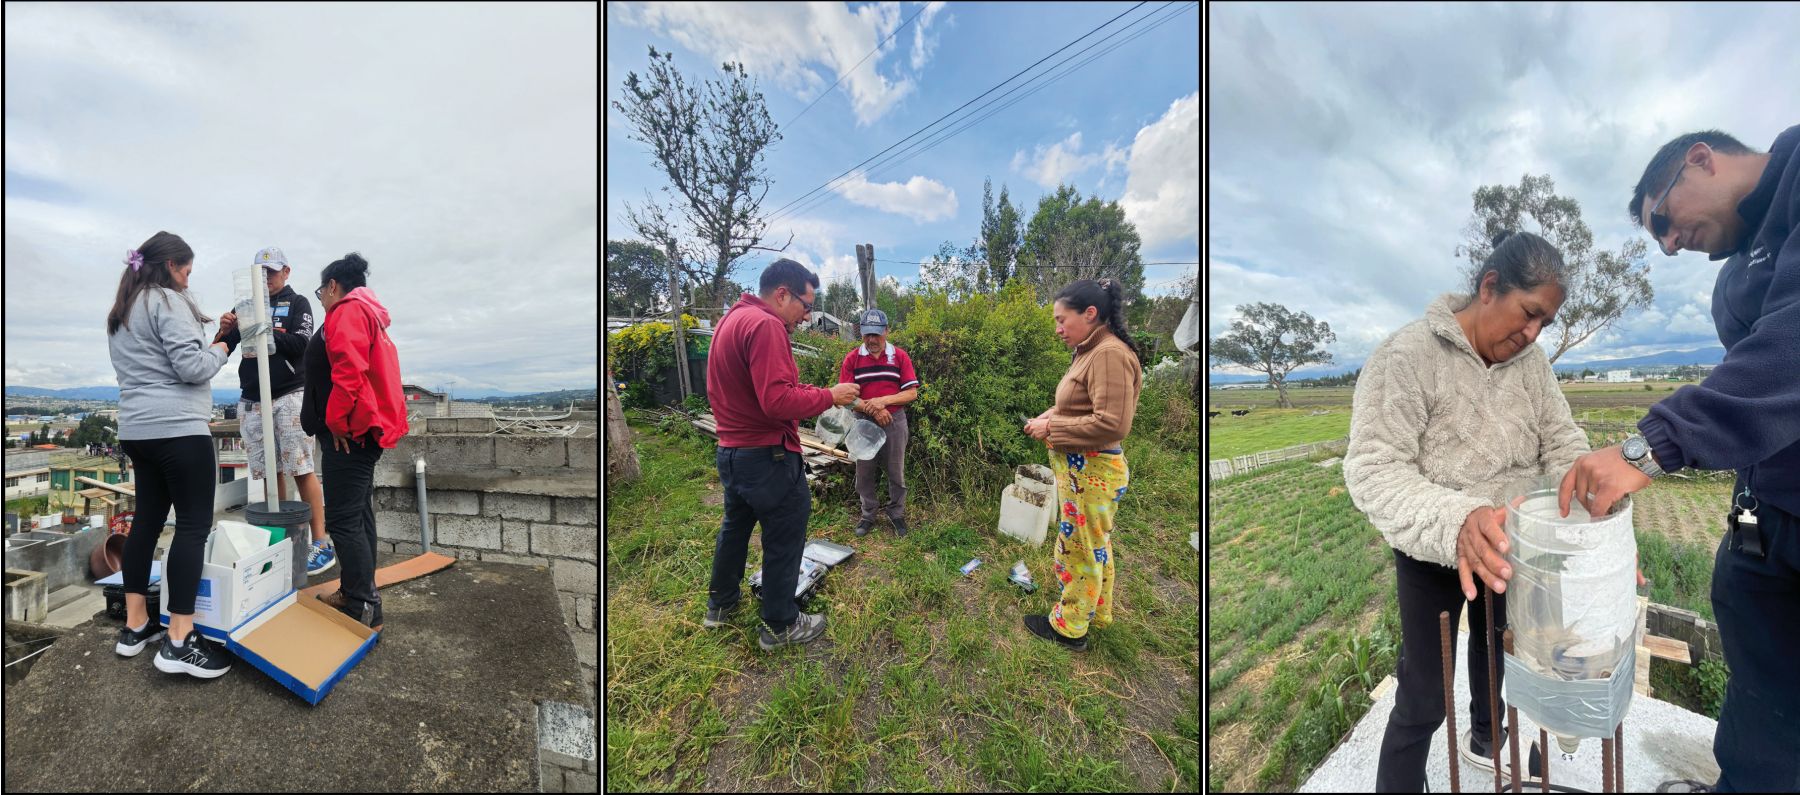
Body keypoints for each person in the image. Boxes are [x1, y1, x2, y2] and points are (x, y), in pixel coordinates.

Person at [1558, 126, 1799, 794]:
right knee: (1762, 711)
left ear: (1700, 160)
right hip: (1765, 520)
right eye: (1656, 236)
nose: (1667, 244)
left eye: (1664, 219)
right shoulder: (1740, 269)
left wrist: (1651, 446)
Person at [1344, 231, 1616, 790]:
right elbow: (1374, 467)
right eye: (1529, 314)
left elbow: (1562, 442)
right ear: (1490, 286)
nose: (1533, 333)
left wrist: (1599, 511)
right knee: (1424, 690)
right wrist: (1458, 519)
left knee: (1500, 660)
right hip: (1434, 546)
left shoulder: (1533, 365)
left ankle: (1488, 742)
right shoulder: (1407, 355)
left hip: (1512, 547)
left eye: (1545, 323)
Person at [700, 258, 860, 650]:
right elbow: (775, 402)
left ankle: (720, 607)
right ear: (782, 294)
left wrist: (803, 390)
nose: (806, 317)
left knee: (735, 528)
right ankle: (781, 624)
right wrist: (829, 396)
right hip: (767, 456)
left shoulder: (732, 321)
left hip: (732, 451)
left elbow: (758, 390)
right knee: (785, 536)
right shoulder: (767, 325)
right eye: (806, 306)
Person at [105, 231, 235, 679]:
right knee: (194, 528)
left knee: (146, 523)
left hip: (136, 430)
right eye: (186, 272)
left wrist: (214, 338)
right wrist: (223, 346)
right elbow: (191, 367)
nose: (186, 282)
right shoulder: (166, 300)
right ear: (170, 266)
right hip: (179, 430)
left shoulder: (121, 310)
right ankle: (180, 639)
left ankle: (135, 625)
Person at [1021, 278, 1144, 652]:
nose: (1058, 329)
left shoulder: (1108, 353)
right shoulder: (1091, 349)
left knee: (1078, 549)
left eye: (1062, 319)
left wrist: (1052, 427)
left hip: (1092, 473)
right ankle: (1097, 612)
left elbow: (1112, 423)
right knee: (1094, 544)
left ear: (1090, 314)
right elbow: (1082, 403)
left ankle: (1070, 627)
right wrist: (1050, 415)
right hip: (1083, 472)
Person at [299, 253, 408, 629]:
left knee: (344, 519)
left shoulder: (346, 310)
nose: (322, 300)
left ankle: (362, 604)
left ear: (332, 286)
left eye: (321, 292)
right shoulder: (366, 312)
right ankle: (358, 593)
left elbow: (349, 369)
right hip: (361, 431)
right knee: (359, 514)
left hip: (350, 434)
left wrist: (337, 421)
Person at [216, 246, 334, 575]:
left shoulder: (298, 303)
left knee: (300, 467)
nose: (266, 278)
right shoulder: (246, 305)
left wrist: (267, 331)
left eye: (272, 271)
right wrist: (226, 329)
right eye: (261, 272)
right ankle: (281, 538)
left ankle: (320, 542)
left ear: (286, 272)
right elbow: (226, 344)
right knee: (270, 471)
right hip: (252, 396)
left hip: (288, 393)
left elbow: (303, 343)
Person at [837, 307, 919, 538]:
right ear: (861, 333)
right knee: (864, 472)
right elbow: (846, 397)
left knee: (896, 471)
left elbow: (911, 393)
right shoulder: (852, 359)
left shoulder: (899, 356)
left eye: (876, 334)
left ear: (886, 331)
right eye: (867, 334)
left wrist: (883, 401)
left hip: (895, 420)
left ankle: (897, 514)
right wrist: (873, 409)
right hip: (862, 422)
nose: (872, 340)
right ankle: (868, 514)